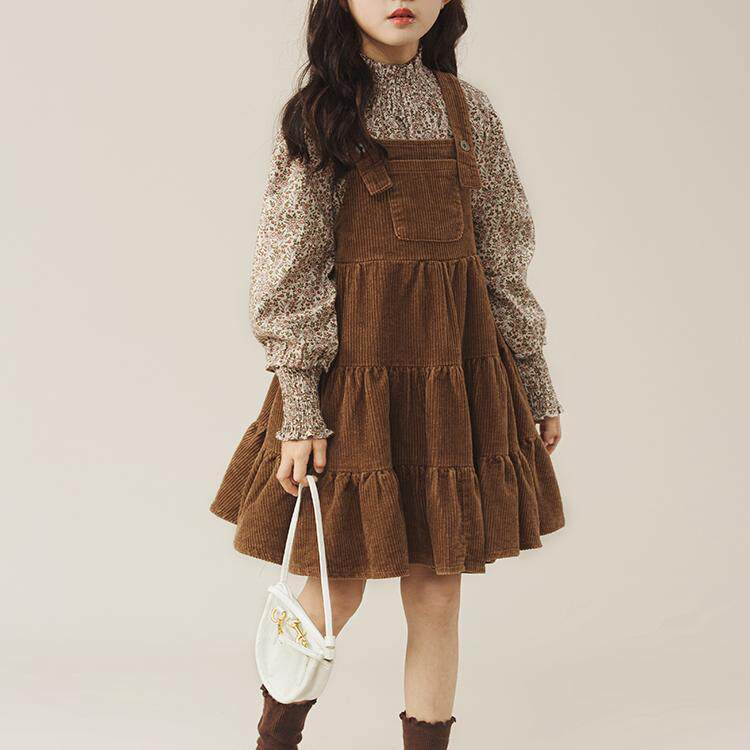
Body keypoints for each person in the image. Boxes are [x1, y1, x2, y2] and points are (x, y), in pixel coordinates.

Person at [211, 1, 565, 747]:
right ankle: (274, 741)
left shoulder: (470, 111)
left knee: (437, 593)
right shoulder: (321, 115)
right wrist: (300, 405)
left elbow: (504, 256)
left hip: (454, 381)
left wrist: (533, 376)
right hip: (357, 384)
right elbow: (291, 264)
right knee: (334, 583)